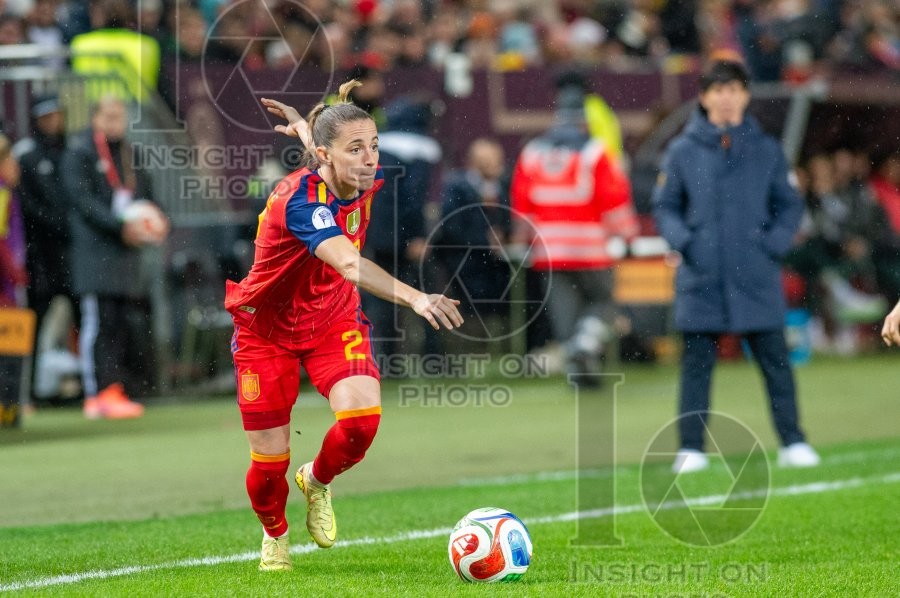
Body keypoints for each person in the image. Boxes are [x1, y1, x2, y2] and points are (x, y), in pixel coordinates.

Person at [228, 80, 463, 571]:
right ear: (323, 155)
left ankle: (316, 480)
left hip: (332, 318)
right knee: (270, 463)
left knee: (361, 423)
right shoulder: (299, 200)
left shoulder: (348, 174)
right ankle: (275, 533)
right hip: (264, 330)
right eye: (356, 149)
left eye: (373, 145)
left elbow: (326, 151)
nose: (370, 158)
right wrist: (417, 297)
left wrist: (315, 120)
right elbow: (351, 265)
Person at [652, 59, 820, 474]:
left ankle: (793, 441)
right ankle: (690, 448)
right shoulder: (682, 150)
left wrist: (773, 245)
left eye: (733, 89)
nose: (726, 97)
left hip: (756, 274)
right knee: (695, 367)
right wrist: (687, 243)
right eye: (717, 90)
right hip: (701, 275)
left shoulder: (767, 149)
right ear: (704, 97)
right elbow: (665, 206)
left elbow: (789, 204)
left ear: (745, 94)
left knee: (776, 364)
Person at [510, 77, 639, 383]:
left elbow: (521, 203)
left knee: (564, 313)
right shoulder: (595, 152)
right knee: (604, 303)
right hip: (589, 247)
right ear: (584, 119)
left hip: (549, 251)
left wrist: (520, 240)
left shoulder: (532, 153)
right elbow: (614, 200)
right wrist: (628, 236)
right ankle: (585, 347)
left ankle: (576, 368)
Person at [61, 96, 169, 420]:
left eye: (119, 116)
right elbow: (83, 202)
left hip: (124, 255)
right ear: (94, 118)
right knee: (98, 322)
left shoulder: (129, 154)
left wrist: (157, 219)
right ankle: (96, 394)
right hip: (96, 253)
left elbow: (146, 196)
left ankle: (114, 388)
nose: (115, 122)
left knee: (119, 322)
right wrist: (121, 225)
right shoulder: (79, 153)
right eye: (108, 116)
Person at [12, 95, 79, 400]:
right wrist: (57, 224)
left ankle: (91, 389)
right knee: (33, 326)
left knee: (86, 321)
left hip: (73, 255)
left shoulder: (72, 153)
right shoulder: (27, 157)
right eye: (46, 117)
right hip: (40, 258)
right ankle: (25, 393)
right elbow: (27, 206)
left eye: (57, 115)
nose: (53, 122)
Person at [0, 134, 28, 428]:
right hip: (4, 287)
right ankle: (7, 410)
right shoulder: (1, 192)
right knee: (8, 348)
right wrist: (12, 273)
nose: (16, 165)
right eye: (11, 160)